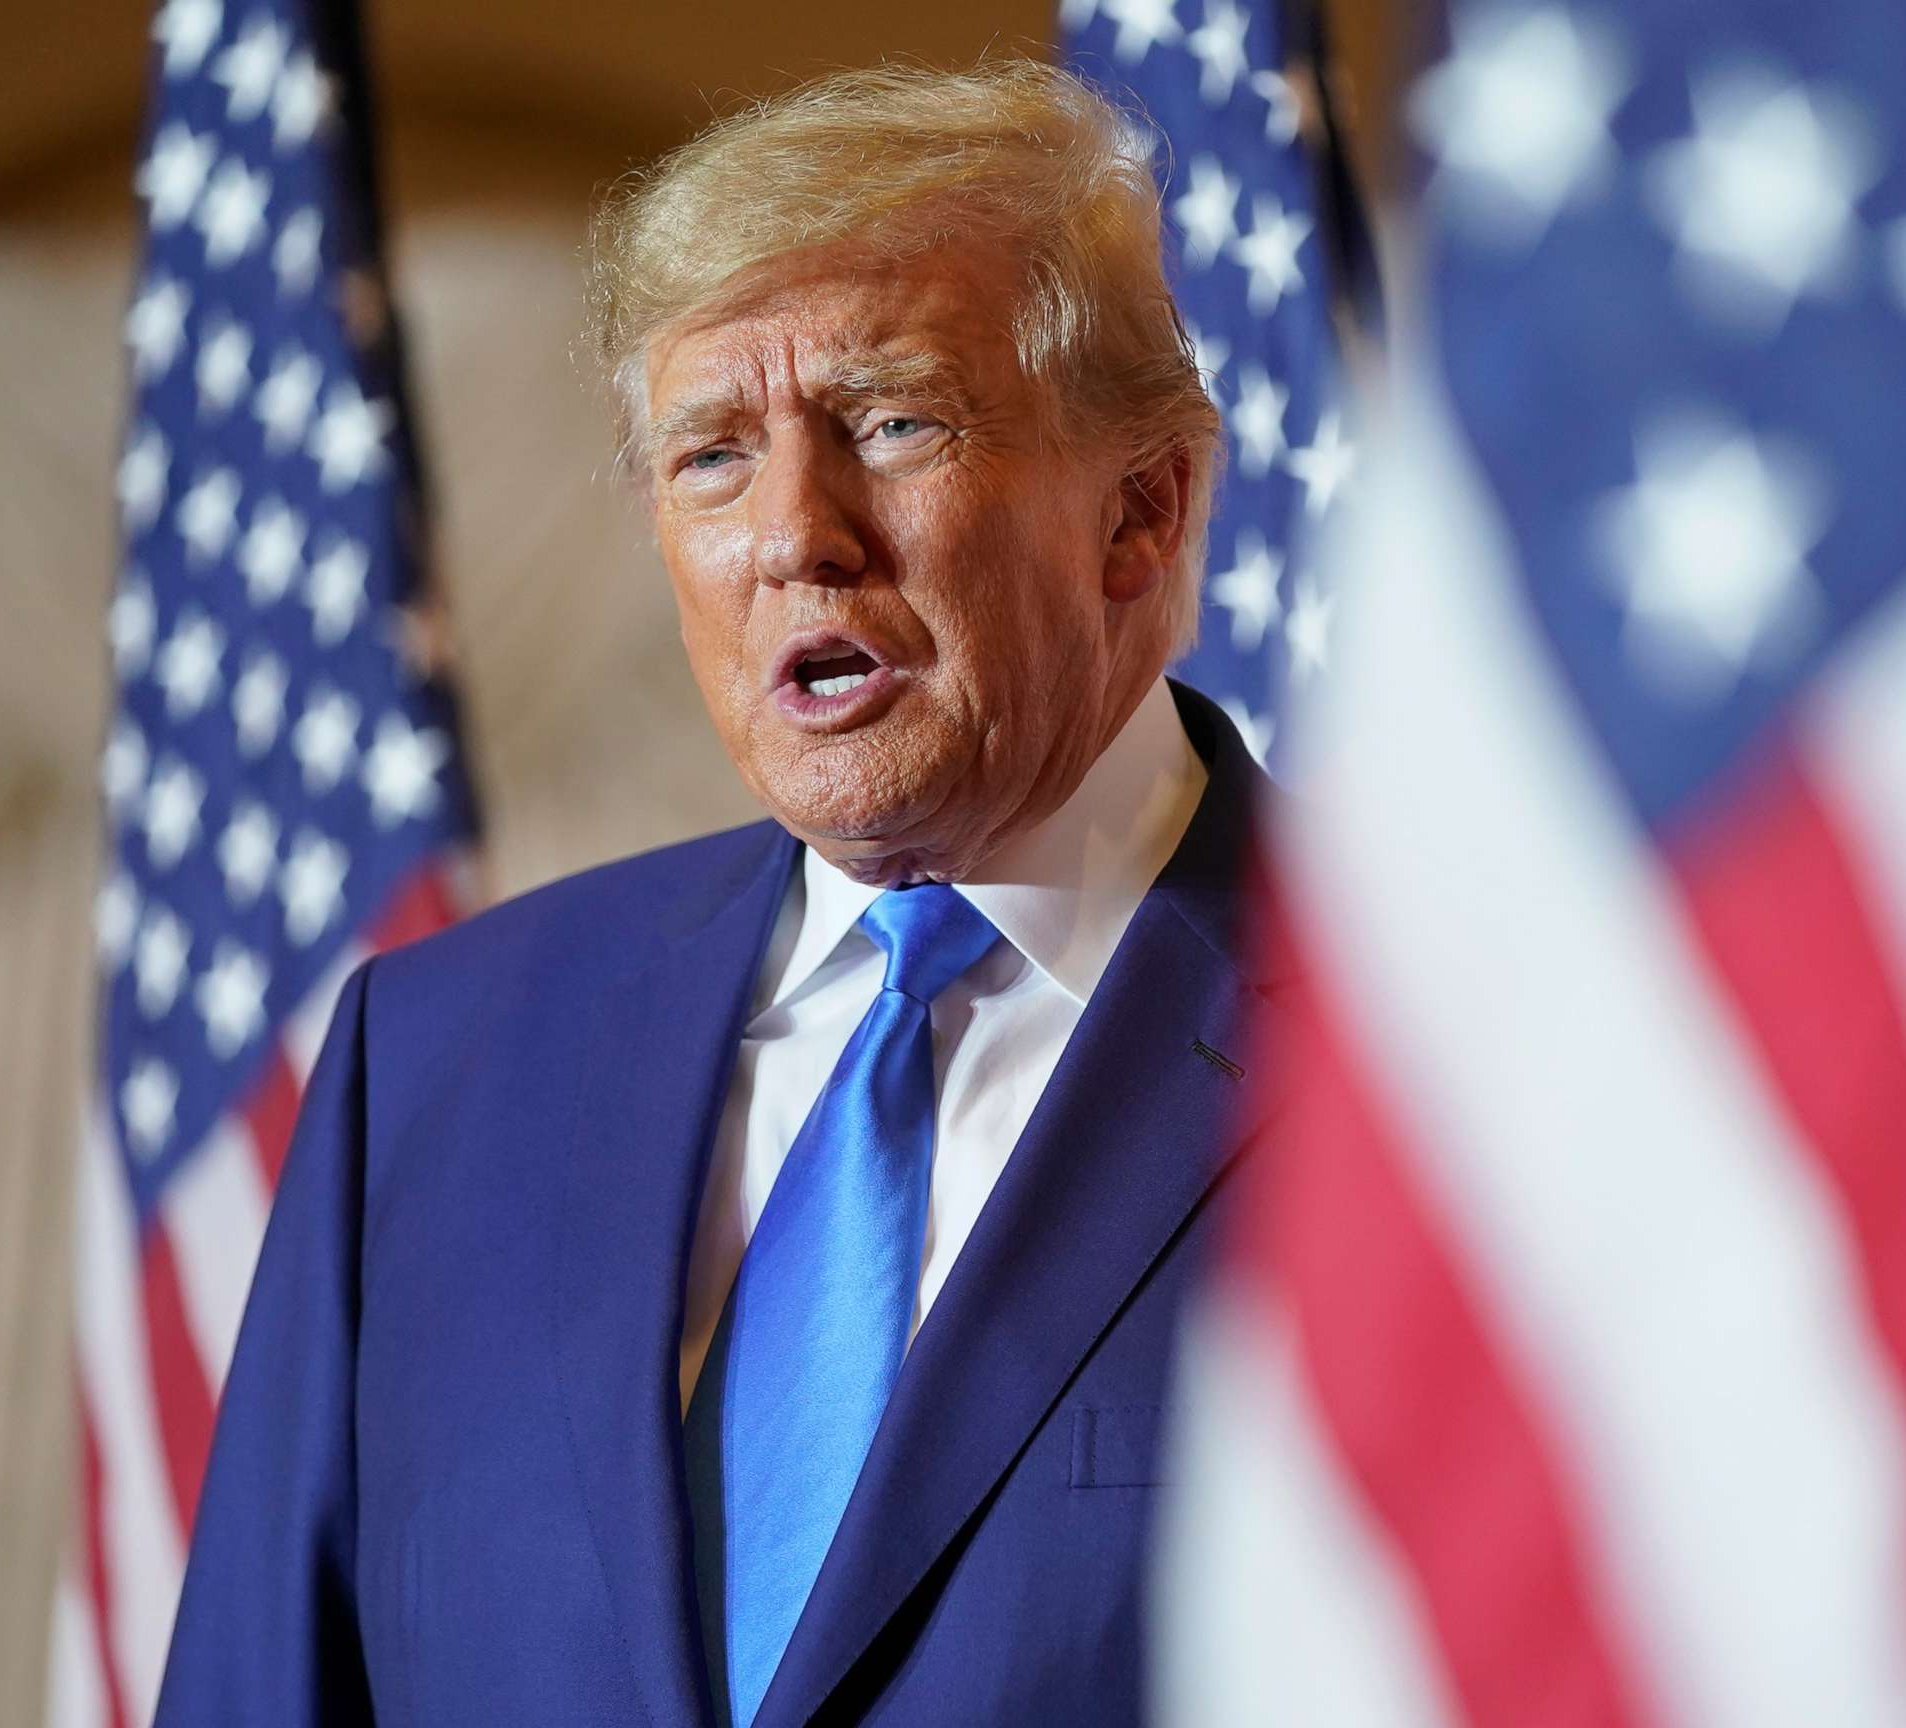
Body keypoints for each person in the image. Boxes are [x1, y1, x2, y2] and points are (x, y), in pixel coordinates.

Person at [154, 58, 1283, 1728]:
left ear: (1143, 512)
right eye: (709, 458)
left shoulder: (1427, 1042)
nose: (792, 536)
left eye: (894, 422)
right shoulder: (439, 1063)